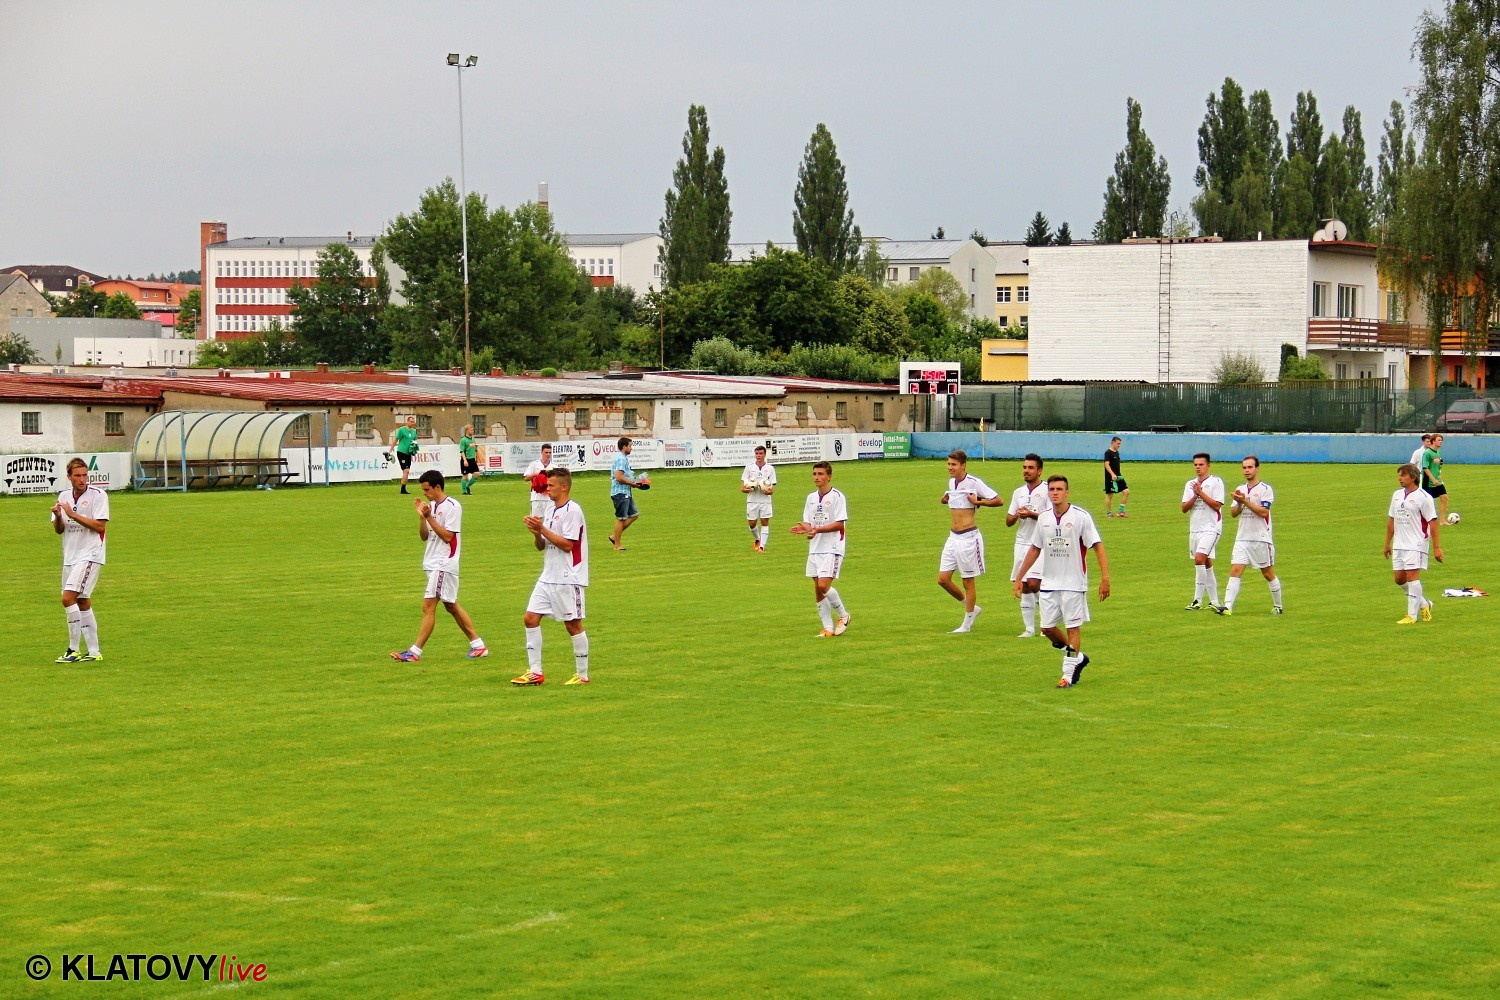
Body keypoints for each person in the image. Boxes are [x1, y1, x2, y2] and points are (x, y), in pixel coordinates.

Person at [1012, 475, 1110, 688]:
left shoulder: (1080, 517)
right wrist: (1020, 577)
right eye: (1052, 489)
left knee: (1073, 628)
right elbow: (1035, 548)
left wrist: (1105, 578)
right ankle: (1078, 657)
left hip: (1074, 584)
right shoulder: (1044, 518)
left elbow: (1097, 545)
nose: (1055, 492)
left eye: (1059, 489)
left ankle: (1067, 675)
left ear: (1067, 492)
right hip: (1049, 583)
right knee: (1047, 628)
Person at [390, 470, 488, 662]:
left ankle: (414, 652)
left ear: (437, 487)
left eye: (427, 489)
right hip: (432, 562)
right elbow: (424, 537)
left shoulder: (453, 506)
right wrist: (422, 517)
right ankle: (478, 646)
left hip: (444, 563)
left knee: (428, 606)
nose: (425, 493)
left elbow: (448, 537)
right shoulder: (431, 507)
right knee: (451, 605)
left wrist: (429, 518)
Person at [513, 467, 591, 686]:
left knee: (573, 625)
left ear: (564, 487)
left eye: (551, 485)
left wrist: (543, 530)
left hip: (568, 577)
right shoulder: (550, 510)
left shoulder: (573, 511)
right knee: (530, 618)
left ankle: (582, 675)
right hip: (548, 576)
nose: (547, 489)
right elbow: (541, 546)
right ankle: (535, 671)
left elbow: (568, 545)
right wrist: (537, 533)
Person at [937, 450, 1004, 633]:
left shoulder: (974, 482)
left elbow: (998, 500)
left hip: (968, 538)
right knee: (943, 579)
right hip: (953, 537)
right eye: (948, 464)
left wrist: (979, 502)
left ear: (963, 465)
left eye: (953, 464)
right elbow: (953, 501)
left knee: (968, 581)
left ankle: (966, 624)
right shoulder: (951, 483)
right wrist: (944, 499)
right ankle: (972, 607)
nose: (950, 467)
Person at [51, 458, 109, 663]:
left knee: (67, 599)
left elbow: (100, 526)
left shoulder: (98, 495)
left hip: (90, 554)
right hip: (70, 556)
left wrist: (73, 514)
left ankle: (73, 650)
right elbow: (59, 530)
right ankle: (94, 652)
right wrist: (59, 516)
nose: (82, 479)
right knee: (82, 600)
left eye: (85, 475)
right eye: (77, 475)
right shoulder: (63, 496)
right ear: (69, 477)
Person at [790, 461, 852, 637]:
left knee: (824, 585)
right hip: (815, 548)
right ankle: (828, 628)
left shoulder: (837, 497)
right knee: (818, 589)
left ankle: (844, 616)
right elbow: (810, 523)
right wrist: (806, 528)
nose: (816, 477)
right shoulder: (810, 498)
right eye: (814, 474)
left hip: (833, 548)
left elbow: (839, 524)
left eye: (820, 474)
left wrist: (817, 530)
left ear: (829, 476)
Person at [1214, 456, 1282, 616]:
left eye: (1250, 467)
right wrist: (1238, 502)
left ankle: (1278, 605)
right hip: (1242, 538)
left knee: (1268, 574)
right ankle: (1227, 607)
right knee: (1235, 570)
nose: (1246, 470)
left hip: (1261, 538)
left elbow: (1263, 512)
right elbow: (1233, 513)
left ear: (1257, 468)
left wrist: (1245, 501)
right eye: (1244, 468)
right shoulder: (1240, 489)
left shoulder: (1265, 489)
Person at [1386, 462, 1443, 624]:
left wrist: (1437, 547)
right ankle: (1424, 604)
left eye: (1403, 475)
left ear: (1413, 477)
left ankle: (1412, 616)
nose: (1400, 478)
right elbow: (1391, 519)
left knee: (1412, 577)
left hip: (1416, 543)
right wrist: (1387, 543)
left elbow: (1433, 523)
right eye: (1399, 475)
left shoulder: (1424, 497)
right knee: (1399, 579)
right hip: (1399, 544)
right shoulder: (1397, 495)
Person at [1006, 453, 1048, 638]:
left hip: (1040, 544)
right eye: (1024, 467)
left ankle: (1047, 624)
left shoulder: (1048, 490)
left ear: (1039, 471)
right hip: (1021, 542)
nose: (1026, 471)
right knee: (1024, 585)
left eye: (1031, 468)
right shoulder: (1018, 492)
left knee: (1034, 582)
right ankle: (1029, 628)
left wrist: (1031, 514)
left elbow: (1051, 518)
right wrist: (1017, 515)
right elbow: (1008, 521)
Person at [1181, 453, 1226, 610]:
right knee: (1206, 562)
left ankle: (1197, 600)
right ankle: (1214, 601)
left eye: (1201, 464)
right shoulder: (1190, 484)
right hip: (1195, 529)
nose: (1198, 467)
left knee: (1199, 559)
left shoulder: (1216, 482)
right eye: (1195, 465)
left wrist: (1201, 493)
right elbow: (1184, 508)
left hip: (1211, 528)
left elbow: (1217, 505)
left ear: (1208, 466)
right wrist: (1195, 496)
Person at [609, 437, 649, 551]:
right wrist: (633, 484)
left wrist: (636, 481)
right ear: (624, 446)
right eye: (630, 446)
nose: (631, 448)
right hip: (620, 492)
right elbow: (618, 477)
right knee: (621, 518)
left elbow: (624, 476)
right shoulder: (621, 459)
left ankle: (614, 536)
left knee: (634, 514)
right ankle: (617, 545)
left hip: (625, 492)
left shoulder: (623, 458)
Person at [740, 444, 777, 552]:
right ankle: (757, 538)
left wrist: (769, 491)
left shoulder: (770, 468)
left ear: (765, 455)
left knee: (765, 522)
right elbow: (742, 487)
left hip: (765, 501)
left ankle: (762, 546)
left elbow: (773, 487)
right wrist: (747, 489)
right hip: (752, 500)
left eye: (761, 453)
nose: (758, 455)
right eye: (757, 453)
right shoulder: (749, 467)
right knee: (752, 524)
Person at [1422, 432, 1449, 523]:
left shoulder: (1438, 451)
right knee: (1426, 502)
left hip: (1438, 480)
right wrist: (1433, 479)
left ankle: (1442, 521)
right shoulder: (1427, 453)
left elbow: (1436, 465)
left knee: (1444, 497)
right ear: (1433, 441)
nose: (1441, 442)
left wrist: (1439, 469)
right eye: (1439, 440)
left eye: (1441, 440)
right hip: (1429, 482)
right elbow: (1425, 468)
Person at [389, 415, 420, 494]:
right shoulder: (402, 430)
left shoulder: (413, 432)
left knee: (407, 472)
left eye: (413, 422)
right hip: (401, 452)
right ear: (407, 421)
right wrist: (391, 449)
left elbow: (414, 442)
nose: (412, 423)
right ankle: (402, 489)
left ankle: (403, 489)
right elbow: (396, 440)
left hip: (408, 453)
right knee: (406, 470)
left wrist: (414, 448)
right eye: (411, 421)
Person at [524, 444, 556, 519]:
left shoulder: (554, 467)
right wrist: (536, 474)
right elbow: (526, 478)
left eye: (550, 452)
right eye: (546, 452)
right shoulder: (534, 464)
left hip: (550, 498)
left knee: (550, 520)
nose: (548, 454)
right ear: (541, 452)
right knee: (536, 520)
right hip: (536, 498)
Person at [1103, 436, 1129, 517]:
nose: (1119, 445)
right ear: (1113, 442)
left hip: (1118, 476)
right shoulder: (1108, 452)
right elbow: (1106, 464)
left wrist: (1117, 475)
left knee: (1126, 491)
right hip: (1110, 477)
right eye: (1118, 443)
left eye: (1120, 444)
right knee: (1110, 495)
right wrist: (1112, 474)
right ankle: (1108, 513)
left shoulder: (1117, 452)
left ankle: (1121, 511)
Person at [458, 424, 479, 495]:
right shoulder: (463, 440)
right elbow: (462, 451)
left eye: (473, 430)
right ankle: (464, 491)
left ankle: (467, 486)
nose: (473, 431)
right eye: (471, 430)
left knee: (477, 474)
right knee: (465, 475)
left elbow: (475, 449)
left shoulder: (473, 439)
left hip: (472, 459)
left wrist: (475, 457)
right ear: (467, 431)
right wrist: (464, 460)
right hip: (466, 459)